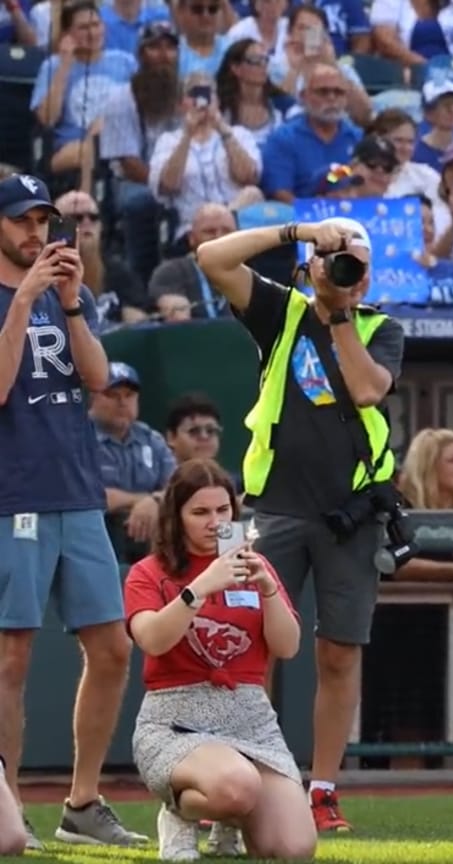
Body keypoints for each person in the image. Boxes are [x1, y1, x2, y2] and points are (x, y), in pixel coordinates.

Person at [193, 215, 406, 832]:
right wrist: (299, 231)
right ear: (307, 267)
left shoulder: (380, 327)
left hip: (352, 514)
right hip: (273, 507)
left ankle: (322, 786)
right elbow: (212, 257)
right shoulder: (281, 312)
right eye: (336, 262)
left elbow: (368, 391)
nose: (346, 275)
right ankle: (240, 768)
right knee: (248, 640)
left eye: (355, 268)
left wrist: (339, 313)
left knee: (339, 650)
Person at [0, 173, 147, 850]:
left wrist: (71, 304)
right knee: (12, 657)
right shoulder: (15, 295)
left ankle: (83, 803)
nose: (37, 234)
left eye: (43, 221)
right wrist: (23, 302)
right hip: (14, 496)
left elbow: (97, 380)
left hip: (78, 490)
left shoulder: (70, 294)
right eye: (22, 221)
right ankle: (7, 806)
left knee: (112, 649)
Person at [123, 459, 315, 862]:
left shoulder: (253, 566)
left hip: (250, 718)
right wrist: (199, 588)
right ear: (176, 518)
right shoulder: (148, 572)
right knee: (236, 787)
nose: (214, 522)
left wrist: (267, 590)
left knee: (292, 848)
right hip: (175, 720)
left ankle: (231, 821)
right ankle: (179, 813)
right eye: (200, 513)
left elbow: (288, 646)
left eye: (222, 511)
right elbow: (152, 640)